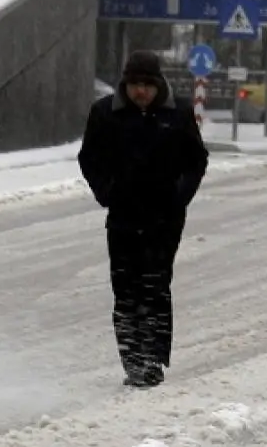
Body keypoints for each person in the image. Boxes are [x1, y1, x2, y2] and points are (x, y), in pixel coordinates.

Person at [78, 49, 209, 389]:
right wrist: (106, 192)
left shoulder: (178, 113)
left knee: (155, 287)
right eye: (135, 84)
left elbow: (197, 159)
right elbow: (88, 157)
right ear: (126, 84)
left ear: (158, 84)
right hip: (123, 216)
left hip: (164, 219)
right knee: (126, 289)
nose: (141, 92)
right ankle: (132, 359)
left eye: (147, 85)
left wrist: (180, 196)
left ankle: (152, 359)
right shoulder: (105, 114)